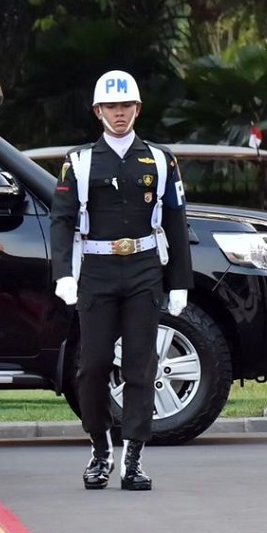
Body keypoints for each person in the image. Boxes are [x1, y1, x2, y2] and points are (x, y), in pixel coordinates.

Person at [50, 70, 192, 491]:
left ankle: (134, 455)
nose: (119, 114)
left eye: (126, 106)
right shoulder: (79, 161)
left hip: (145, 267)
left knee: (140, 366)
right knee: (91, 366)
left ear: (137, 109)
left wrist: (179, 281)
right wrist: (64, 274)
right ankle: (100, 447)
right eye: (111, 107)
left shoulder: (161, 160)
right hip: (96, 269)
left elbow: (175, 220)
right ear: (97, 111)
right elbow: (62, 220)